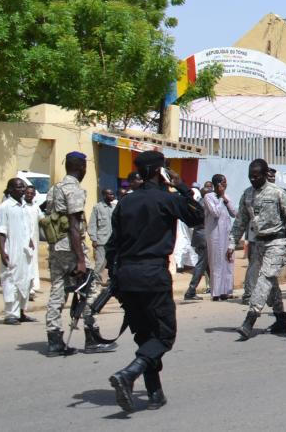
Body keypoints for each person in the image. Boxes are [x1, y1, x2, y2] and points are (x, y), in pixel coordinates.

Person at [106, 151, 204, 412]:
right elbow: (198, 217)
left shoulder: (125, 203)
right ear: (160, 171)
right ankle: (129, 374)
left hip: (126, 277)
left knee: (145, 336)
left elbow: (111, 246)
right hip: (152, 275)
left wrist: (114, 278)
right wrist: (181, 186)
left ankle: (155, 393)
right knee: (163, 335)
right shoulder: (167, 199)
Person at [44, 151, 115, 356]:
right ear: (82, 168)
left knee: (57, 291)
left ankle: (54, 340)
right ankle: (91, 337)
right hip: (72, 250)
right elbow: (74, 226)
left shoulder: (55, 188)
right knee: (90, 288)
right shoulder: (73, 189)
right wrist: (81, 260)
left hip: (56, 248)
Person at [228, 159, 286, 340]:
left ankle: (250, 319)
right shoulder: (247, 194)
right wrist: (231, 243)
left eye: (256, 176)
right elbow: (240, 222)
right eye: (250, 177)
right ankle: (281, 318)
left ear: (265, 174)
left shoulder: (278, 193)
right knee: (270, 283)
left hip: (277, 242)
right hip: (258, 243)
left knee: (265, 278)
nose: (253, 180)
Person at [0, 178, 35, 324]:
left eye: (23, 187)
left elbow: (27, 227)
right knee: (11, 280)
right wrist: (2, 251)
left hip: (25, 250)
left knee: (25, 280)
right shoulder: (5, 207)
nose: (22, 190)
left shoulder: (25, 206)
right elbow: (1, 231)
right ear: (10, 189)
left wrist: (30, 240)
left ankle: (21, 312)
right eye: (19, 187)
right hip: (12, 249)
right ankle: (10, 315)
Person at [203, 175, 236, 300]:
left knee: (228, 261)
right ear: (217, 184)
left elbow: (234, 213)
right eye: (223, 183)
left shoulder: (226, 197)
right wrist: (221, 198)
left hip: (227, 233)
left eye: (225, 183)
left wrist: (225, 199)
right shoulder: (208, 197)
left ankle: (227, 291)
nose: (225, 185)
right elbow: (215, 212)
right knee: (216, 262)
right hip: (215, 234)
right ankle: (216, 292)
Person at [183, 182, 211, 301]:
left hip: (199, 236)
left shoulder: (199, 203)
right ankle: (191, 290)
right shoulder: (206, 204)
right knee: (202, 264)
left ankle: (217, 289)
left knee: (207, 264)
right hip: (204, 236)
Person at [87, 188, 117, 284]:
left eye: (113, 194)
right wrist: (94, 239)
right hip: (102, 241)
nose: (112, 196)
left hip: (113, 241)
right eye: (110, 194)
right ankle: (94, 281)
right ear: (104, 195)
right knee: (101, 263)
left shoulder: (114, 207)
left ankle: (111, 280)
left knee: (113, 262)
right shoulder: (97, 208)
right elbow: (92, 224)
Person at [23, 184, 42, 298]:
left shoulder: (35, 206)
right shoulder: (21, 206)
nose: (29, 195)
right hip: (24, 240)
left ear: (34, 195)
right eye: (28, 193)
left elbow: (42, 219)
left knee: (33, 263)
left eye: (32, 193)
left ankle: (32, 287)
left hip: (34, 241)